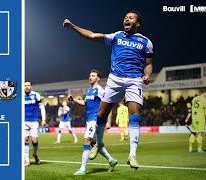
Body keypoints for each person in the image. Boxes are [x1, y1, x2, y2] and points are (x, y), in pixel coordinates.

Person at [63, 10, 153, 169]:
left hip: (134, 80)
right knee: (101, 114)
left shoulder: (146, 42)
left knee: (135, 115)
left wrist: (147, 75)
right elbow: (91, 35)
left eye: (130, 17)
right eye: (125, 17)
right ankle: (97, 144)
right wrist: (72, 26)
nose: (126, 19)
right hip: (115, 78)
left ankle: (132, 154)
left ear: (137, 23)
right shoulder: (116, 36)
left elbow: (149, 64)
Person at [69, 69, 118, 175]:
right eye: (90, 75)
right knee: (95, 143)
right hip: (89, 119)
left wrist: (109, 121)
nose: (90, 77)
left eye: (93, 75)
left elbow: (107, 105)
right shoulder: (89, 90)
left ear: (98, 78)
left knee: (87, 140)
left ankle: (82, 168)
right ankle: (111, 160)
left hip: (95, 120)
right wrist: (74, 100)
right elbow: (85, 103)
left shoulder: (100, 90)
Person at [24, 81, 46, 166]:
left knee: (34, 140)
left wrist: (43, 119)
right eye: (25, 85)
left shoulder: (36, 95)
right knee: (25, 139)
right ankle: (26, 160)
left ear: (31, 87)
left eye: (28, 85)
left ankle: (35, 154)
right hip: (24, 121)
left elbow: (42, 107)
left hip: (34, 121)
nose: (27, 87)